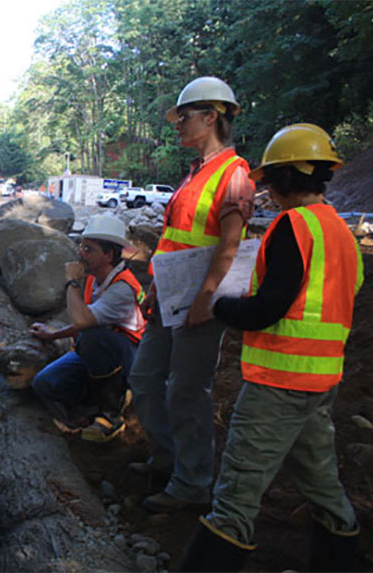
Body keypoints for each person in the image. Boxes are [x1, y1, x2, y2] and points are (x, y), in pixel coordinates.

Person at [178, 124, 362, 572]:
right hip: (320, 384)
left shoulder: (292, 227)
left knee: (237, 493)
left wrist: (222, 306)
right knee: (322, 484)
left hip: (277, 384)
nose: (268, 192)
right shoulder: (341, 232)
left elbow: (269, 308)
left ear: (282, 178)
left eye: (271, 181)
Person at [128, 76, 256, 513]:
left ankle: (191, 483)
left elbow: (230, 243)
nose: (177, 125)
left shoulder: (234, 174)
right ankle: (169, 458)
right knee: (144, 380)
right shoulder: (194, 175)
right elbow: (173, 238)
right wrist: (152, 288)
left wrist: (207, 297)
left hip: (200, 300)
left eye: (183, 117)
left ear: (211, 117)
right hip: (171, 295)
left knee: (187, 389)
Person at [30, 214, 146, 442]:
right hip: (102, 350)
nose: (81, 253)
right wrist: (52, 335)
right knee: (43, 384)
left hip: (131, 356)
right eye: (82, 247)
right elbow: (85, 321)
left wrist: (71, 282)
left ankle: (111, 413)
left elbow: (84, 323)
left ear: (109, 254)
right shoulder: (95, 279)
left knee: (93, 339)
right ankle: (84, 414)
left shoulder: (121, 287)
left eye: (88, 249)